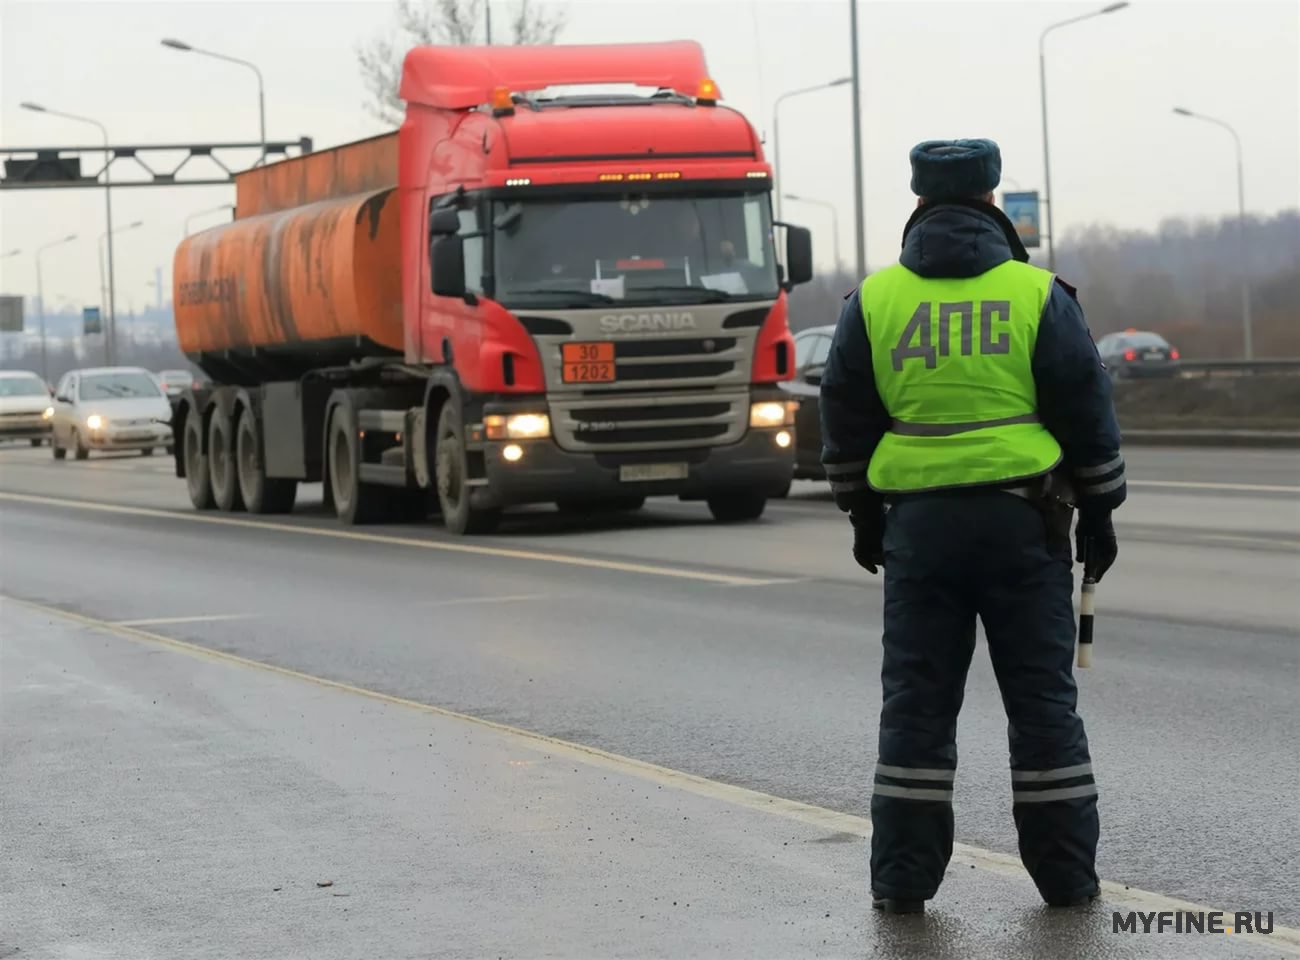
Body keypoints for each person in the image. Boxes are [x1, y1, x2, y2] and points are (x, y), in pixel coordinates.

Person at [818, 139, 1126, 915]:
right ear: (993, 202)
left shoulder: (874, 301)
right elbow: (1085, 408)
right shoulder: (1037, 294)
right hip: (1026, 525)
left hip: (918, 532)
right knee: (1043, 706)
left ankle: (900, 884)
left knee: (916, 707)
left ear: (918, 205)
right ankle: (1067, 882)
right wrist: (1101, 510)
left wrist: (861, 514)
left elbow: (845, 418)